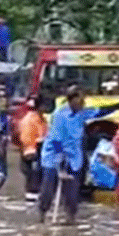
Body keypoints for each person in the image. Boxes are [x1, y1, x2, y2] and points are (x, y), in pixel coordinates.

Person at [39, 85, 91, 224]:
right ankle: (42, 216)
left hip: (74, 158)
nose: (82, 103)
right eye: (80, 100)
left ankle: (70, 219)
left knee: (72, 192)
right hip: (54, 156)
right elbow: (56, 140)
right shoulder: (60, 115)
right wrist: (60, 164)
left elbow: (100, 112)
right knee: (48, 189)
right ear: (71, 100)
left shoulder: (82, 114)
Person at [18, 95, 51, 202]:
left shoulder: (24, 118)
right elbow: (43, 138)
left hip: (24, 153)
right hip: (35, 153)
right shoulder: (38, 119)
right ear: (40, 106)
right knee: (36, 183)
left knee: (29, 183)